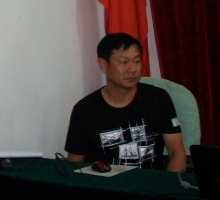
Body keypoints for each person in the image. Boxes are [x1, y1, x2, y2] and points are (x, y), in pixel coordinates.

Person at [64, 33, 187, 171]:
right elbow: (75, 162)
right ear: (103, 65)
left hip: (151, 181)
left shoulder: (158, 98)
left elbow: (176, 151)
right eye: (124, 62)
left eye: (137, 61)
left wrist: (171, 182)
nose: (132, 69)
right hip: (104, 182)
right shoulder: (85, 110)